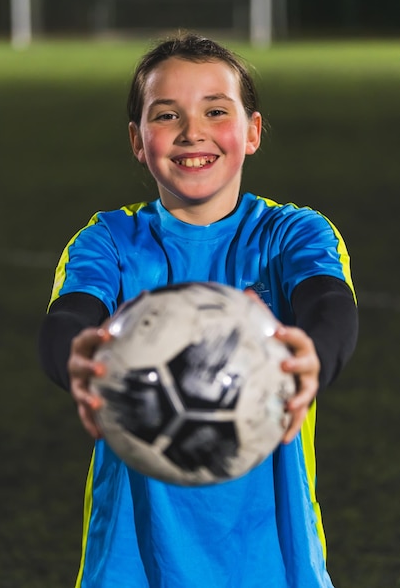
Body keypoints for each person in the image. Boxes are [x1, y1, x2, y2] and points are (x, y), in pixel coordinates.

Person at [39, 32, 358, 588]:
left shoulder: (292, 234)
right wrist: (74, 356)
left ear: (252, 131)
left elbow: (329, 303)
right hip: (133, 566)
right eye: (166, 115)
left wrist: (318, 354)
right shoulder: (109, 241)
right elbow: (70, 316)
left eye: (216, 110)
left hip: (274, 563)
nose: (193, 132)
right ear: (138, 140)